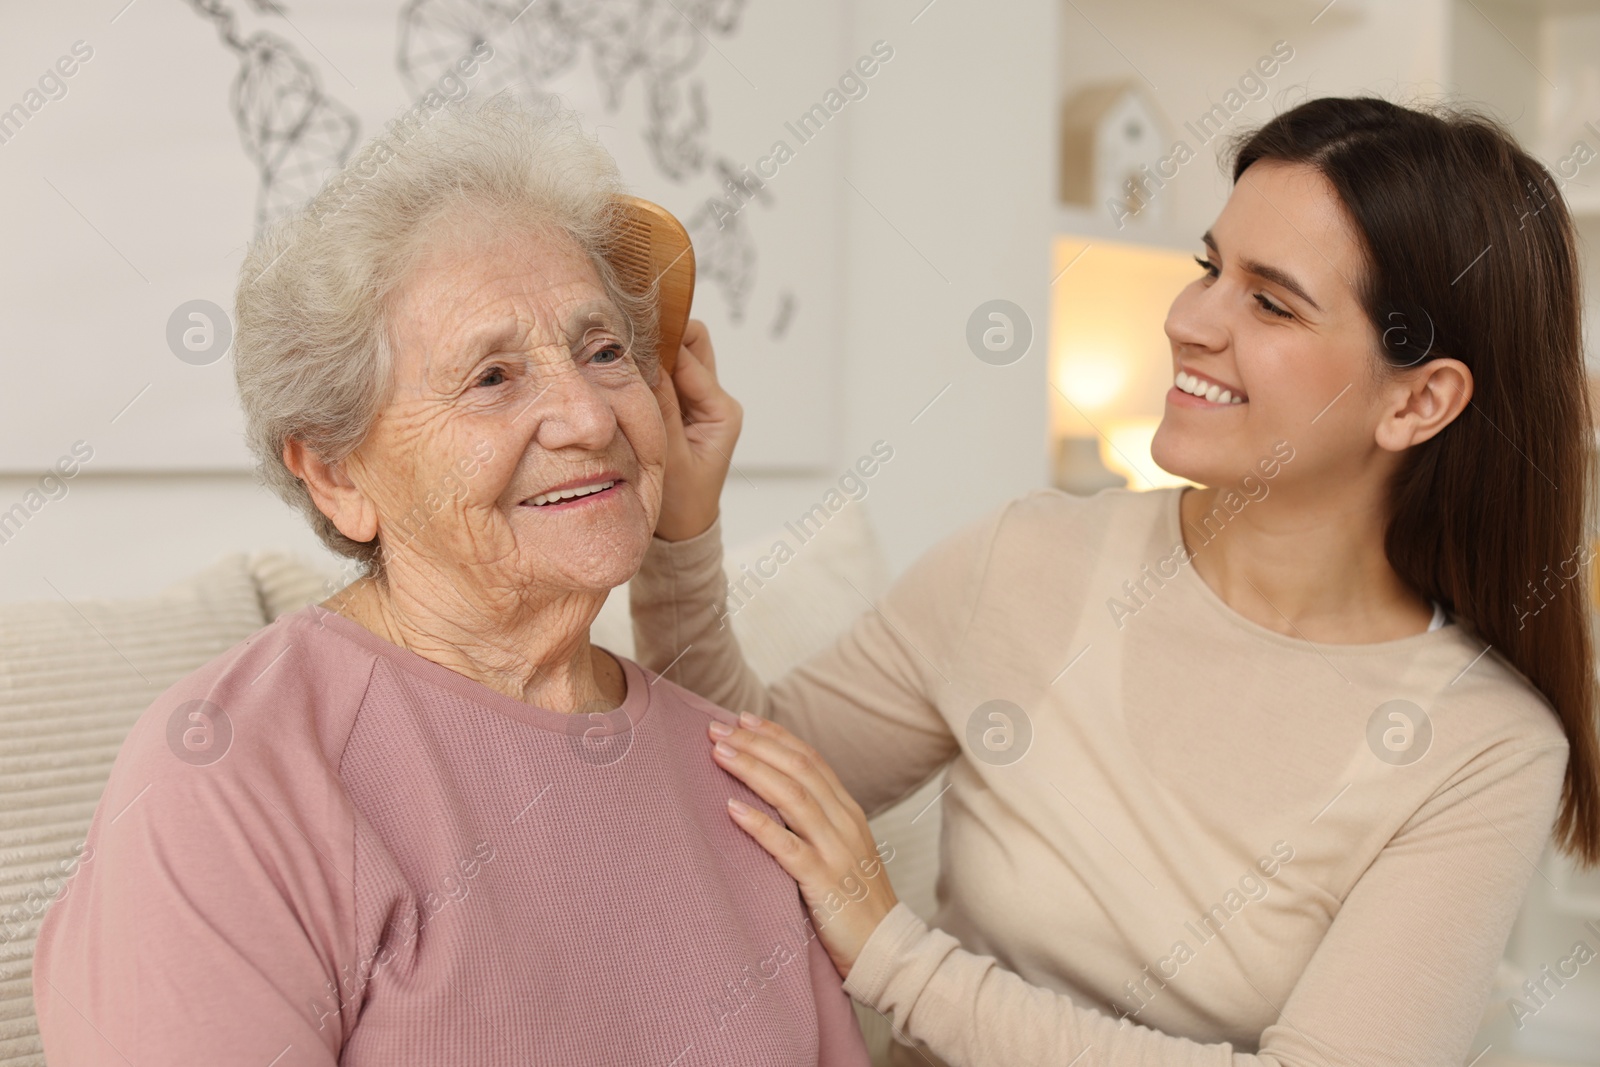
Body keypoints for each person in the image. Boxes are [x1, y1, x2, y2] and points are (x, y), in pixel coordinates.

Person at [631, 95, 1600, 1065]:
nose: (1189, 321)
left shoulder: (1485, 745)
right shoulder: (1024, 559)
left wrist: (896, 956)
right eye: (1209, 269)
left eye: (1269, 301)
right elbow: (737, 778)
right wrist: (682, 529)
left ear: (1418, 399)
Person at [31, 92, 871, 1066]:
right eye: (492, 377)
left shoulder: (739, 774)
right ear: (339, 473)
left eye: (604, 351)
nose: (588, 416)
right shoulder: (231, 772)